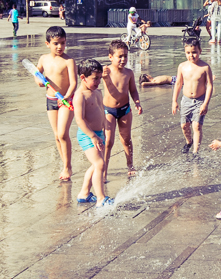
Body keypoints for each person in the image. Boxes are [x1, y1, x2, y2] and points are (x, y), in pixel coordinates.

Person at [36, 26, 78, 182]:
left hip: (66, 100)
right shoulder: (43, 59)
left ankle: (67, 167)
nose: (60, 46)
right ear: (47, 44)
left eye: (63, 43)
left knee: (62, 134)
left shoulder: (69, 61)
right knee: (56, 136)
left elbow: (74, 83)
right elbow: (37, 73)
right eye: (56, 43)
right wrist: (38, 81)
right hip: (51, 100)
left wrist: (66, 96)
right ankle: (65, 163)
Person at [73, 58, 114, 207]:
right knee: (99, 164)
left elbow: (100, 110)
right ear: (83, 78)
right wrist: (92, 136)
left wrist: (105, 125)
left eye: (99, 78)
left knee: (96, 165)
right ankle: (101, 198)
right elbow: (80, 120)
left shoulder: (97, 91)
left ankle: (84, 193)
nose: (98, 82)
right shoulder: (80, 95)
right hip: (87, 135)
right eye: (95, 79)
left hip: (98, 134)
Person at [102, 40, 143, 179]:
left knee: (126, 139)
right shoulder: (106, 72)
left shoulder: (129, 73)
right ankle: (104, 170)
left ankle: (130, 164)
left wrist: (137, 103)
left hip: (125, 109)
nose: (123, 59)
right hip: (108, 110)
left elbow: (133, 90)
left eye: (125, 56)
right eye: (119, 56)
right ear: (110, 57)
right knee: (108, 141)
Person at [172, 37, 214, 154]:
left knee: (196, 126)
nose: (191, 55)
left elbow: (209, 86)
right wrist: (174, 101)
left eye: (194, 52)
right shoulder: (182, 66)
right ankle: (189, 142)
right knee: (184, 125)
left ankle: (195, 152)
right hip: (186, 100)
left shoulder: (205, 67)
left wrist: (205, 103)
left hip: (200, 101)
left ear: (200, 51)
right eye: (188, 53)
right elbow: (178, 84)